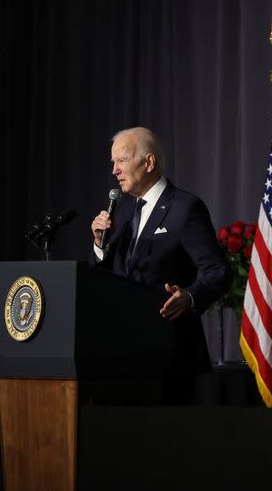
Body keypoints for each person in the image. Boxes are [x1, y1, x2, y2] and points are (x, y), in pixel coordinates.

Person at [90, 126, 231, 403]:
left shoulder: (185, 208)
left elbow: (219, 271)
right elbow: (111, 277)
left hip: (170, 353)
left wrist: (190, 296)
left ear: (149, 162)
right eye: (113, 163)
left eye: (121, 160)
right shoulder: (127, 210)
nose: (114, 171)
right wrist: (100, 245)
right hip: (125, 355)